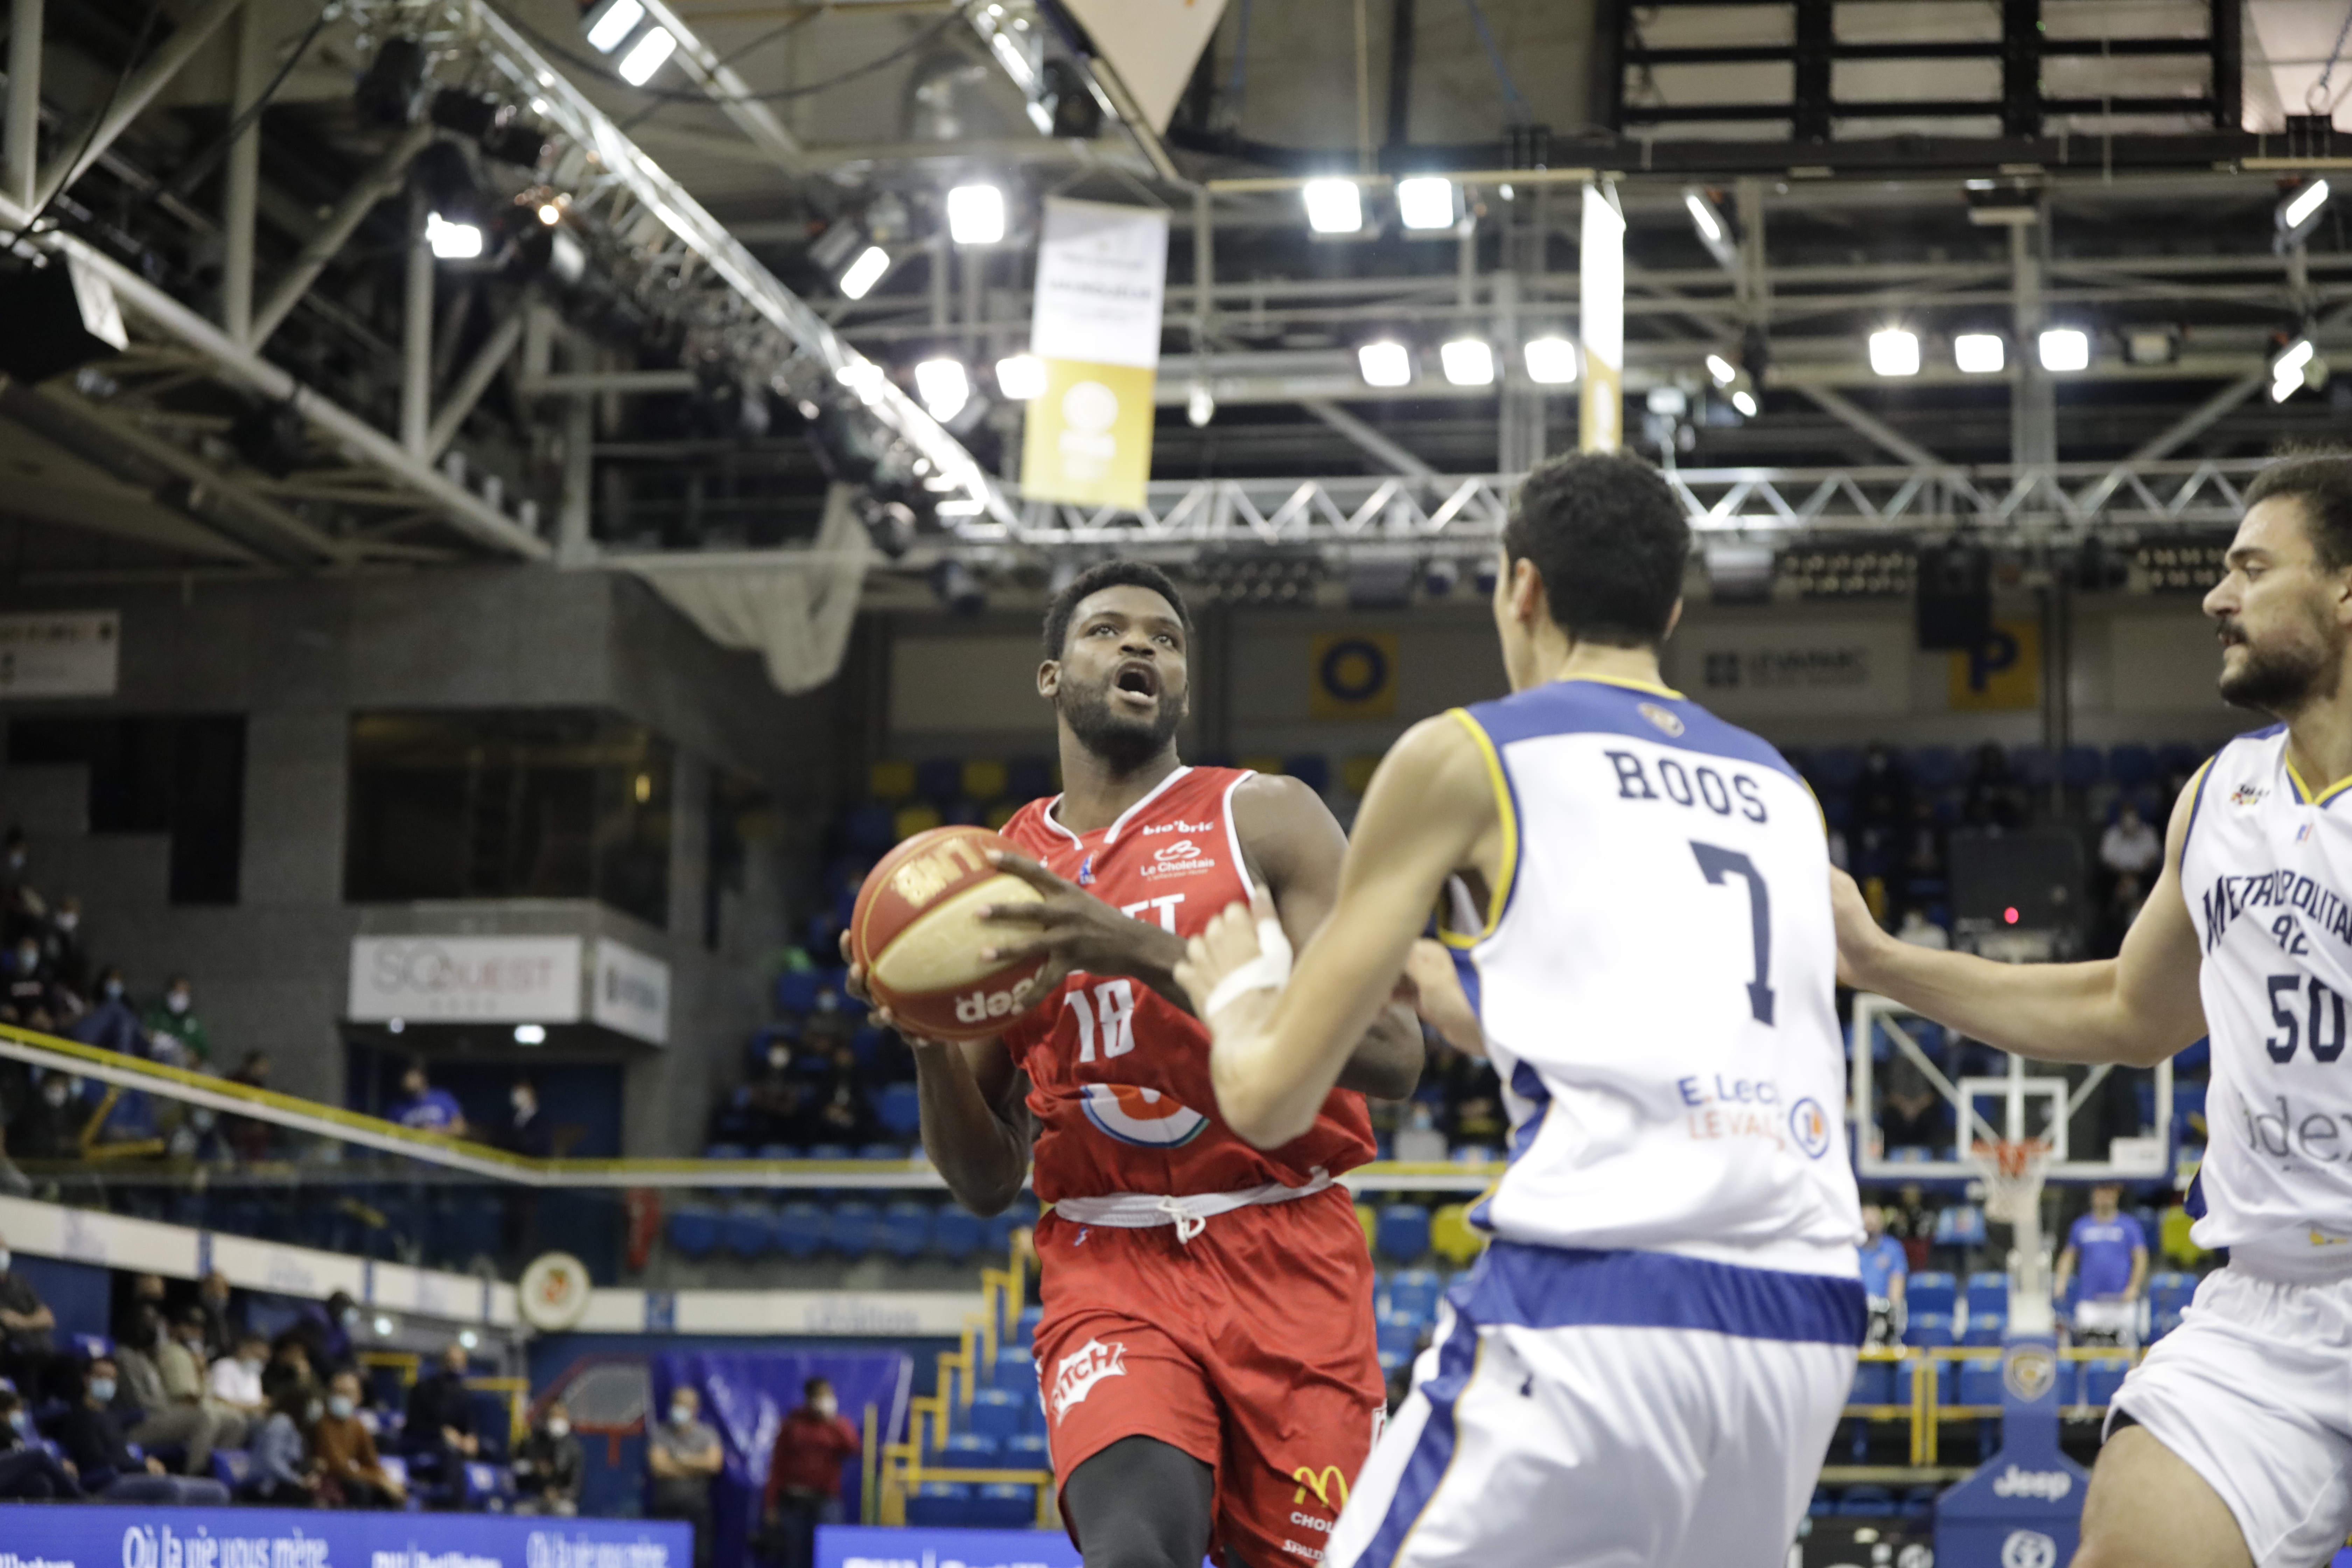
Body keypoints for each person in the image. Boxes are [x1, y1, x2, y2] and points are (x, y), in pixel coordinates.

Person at [1170, 450, 1865, 1568]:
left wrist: (1240, 992)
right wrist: (1452, 986)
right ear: (1672, 607)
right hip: (1804, 1314)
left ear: (1519, 587)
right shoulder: (1780, 788)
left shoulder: (1471, 750)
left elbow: (1265, 1096)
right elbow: (1647, 1015)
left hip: (1596, 1300)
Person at [842, 559, 1423, 1568]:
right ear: (1051, 674)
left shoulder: (1267, 818)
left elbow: (1396, 1054)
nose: (1140, 646)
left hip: (1287, 1250)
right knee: (1131, 1553)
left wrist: (1143, 951)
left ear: (1183, 682)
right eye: (1108, 630)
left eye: (1164, 637)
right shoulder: (994, 877)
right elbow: (986, 1184)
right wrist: (931, 1047)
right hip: (1109, 1265)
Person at [1827, 453, 2352, 1568]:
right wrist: (1877, 960)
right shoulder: (2219, 796)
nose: (2216, 596)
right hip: (2265, 1308)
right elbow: (2124, 1006)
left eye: (2250, 569)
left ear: (2345, 588)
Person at [763, 1377, 861, 1568]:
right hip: (793, 1502)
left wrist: (833, 1421)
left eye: (829, 1395)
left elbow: (853, 1448)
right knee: (795, 1556)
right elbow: (777, 1465)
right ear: (810, 1399)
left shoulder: (839, 1425)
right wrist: (771, 1504)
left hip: (827, 1501)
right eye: (821, 1395)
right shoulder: (793, 1425)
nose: (827, 1399)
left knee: (830, 1554)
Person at [114, 1304, 220, 1472]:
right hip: (136, 1425)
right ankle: (195, 1476)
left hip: (157, 1417)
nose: (154, 1327)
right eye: (148, 1321)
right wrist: (168, 1409)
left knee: (218, 1420)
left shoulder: (144, 1356)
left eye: (155, 1322)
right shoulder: (123, 1356)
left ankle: (218, 1472)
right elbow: (137, 1402)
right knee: (202, 1418)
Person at [2058, 1183, 2151, 1347]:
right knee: (2089, 1352)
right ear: (2093, 1195)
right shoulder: (2081, 1226)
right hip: (2090, 1303)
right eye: (2100, 1192)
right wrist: (2061, 1282)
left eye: (2109, 1193)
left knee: (2127, 1352)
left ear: (2116, 1195)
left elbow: (2141, 1258)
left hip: (2122, 1304)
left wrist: (2134, 1287)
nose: (2104, 1197)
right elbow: (2068, 1256)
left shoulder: (2129, 1226)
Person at [54, 1355, 170, 1483]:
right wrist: (142, 1467)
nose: (107, 1383)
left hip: (130, 1477)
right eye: (102, 1377)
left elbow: (122, 1456)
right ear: (87, 1379)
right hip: (108, 1483)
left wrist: (147, 1464)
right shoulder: (80, 1420)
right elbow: (97, 1462)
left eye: (112, 1379)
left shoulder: (111, 1418)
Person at [647, 1384, 724, 1567]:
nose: (678, 1409)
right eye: (676, 1403)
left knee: (700, 1560)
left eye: (684, 1405)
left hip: (698, 1511)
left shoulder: (708, 1435)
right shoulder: (661, 1433)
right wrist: (697, 1465)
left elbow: (714, 1464)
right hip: (665, 1510)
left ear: (695, 1409)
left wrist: (678, 1460)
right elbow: (658, 1467)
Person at [312, 1370, 404, 1508]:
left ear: (359, 1397)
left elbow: (371, 1461)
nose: (343, 1398)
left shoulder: (357, 1425)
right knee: (361, 1490)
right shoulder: (322, 1423)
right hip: (329, 1478)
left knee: (392, 1494)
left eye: (348, 1394)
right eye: (338, 1393)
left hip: (353, 1475)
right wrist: (378, 1479)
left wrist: (386, 1480)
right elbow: (337, 1466)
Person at [402, 1341, 481, 1491]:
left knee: (486, 1451)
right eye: (451, 1361)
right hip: (424, 1441)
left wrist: (471, 1438)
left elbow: (469, 1424)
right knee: (449, 1452)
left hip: (455, 1443)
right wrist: (441, 1432)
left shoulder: (464, 1394)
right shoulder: (423, 1389)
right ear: (442, 1363)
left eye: (459, 1362)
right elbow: (413, 1424)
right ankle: (455, 1505)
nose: (455, 1366)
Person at [0, 1385, 83, 1499]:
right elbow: (21, 1458)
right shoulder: (3, 1431)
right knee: (40, 1455)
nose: (21, 1414)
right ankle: (82, 1500)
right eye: (17, 1409)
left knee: (41, 1484)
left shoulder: (12, 1434)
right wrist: (59, 1465)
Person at [242, 1382, 319, 1505]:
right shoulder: (281, 1422)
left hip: (281, 1482)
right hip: (266, 1486)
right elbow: (271, 1460)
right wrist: (298, 1480)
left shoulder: (295, 1426)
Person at [0, 1229, 56, 1396]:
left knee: (71, 1364)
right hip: (12, 1352)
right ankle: (30, 1414)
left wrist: (22, 1321)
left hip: (41, 1349)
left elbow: (48, 1318)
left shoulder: (19, 1281)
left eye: (4, 1248)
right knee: (29, 1363)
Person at [514, 1398, 583, 1516]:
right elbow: (518, 1472)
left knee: (565, 1510)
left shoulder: (573, 1449)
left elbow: (575, 1484)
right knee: (520, 1511)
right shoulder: (531, 1444)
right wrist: (535, 1469)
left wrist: (559, 1494)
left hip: (561, 1500)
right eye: (553, 1416)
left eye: (561, 1416)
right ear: (546, 1419)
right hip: (534, 1497)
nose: (557, 1420)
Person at [1857, 1204, 1910, 1347]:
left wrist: (1891, 1308)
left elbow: (1897, 1286)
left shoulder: (1892, 1248)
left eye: (1873, 1224)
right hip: (1855, 1311)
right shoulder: (1850, 1249)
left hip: (1881, 1312)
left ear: (1881, 1225)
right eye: (1866, 1225)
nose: (1870, 1229)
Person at [208, 1331, 273, 1432]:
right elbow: (221, 1402)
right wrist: (255, 1408)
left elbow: (256, 1402)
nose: (261, 1363)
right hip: (229, 1420)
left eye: (264, 1360)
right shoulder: (225, 1367)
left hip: (252, 1419)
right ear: (244, 1350)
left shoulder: (253, 1374)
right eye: (258, 1357)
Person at [143, 974, 212, 1068]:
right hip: (157, 1058)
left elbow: (202, 1052)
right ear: (170, 992)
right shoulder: (157, 1011)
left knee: (209, 1071)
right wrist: (159, 1040)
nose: (181, 997)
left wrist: (190, 1055)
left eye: (185, 993)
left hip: (187, 1066)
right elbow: (145, 1033)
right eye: (178, 992)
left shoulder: (192, 1020)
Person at [387, 1063, 466, 1135]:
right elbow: (391, 1135)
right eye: (405, 1078)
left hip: (441, 1149)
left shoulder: (442, 1098)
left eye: (413, 1077)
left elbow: (461, 1129)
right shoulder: (397, 1108)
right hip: (412, 1149)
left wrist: (437, 1130)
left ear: (422, 1078)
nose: (409, 1081)